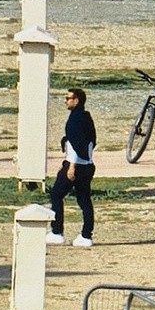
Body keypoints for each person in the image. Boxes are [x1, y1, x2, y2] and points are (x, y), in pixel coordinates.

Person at [52, 84, 99, 242]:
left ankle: (56, 232)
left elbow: (75, 144)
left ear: (76, 100)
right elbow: (90, 142)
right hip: (88, 165)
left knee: (56, 195)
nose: (65, 101)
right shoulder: (86, 117)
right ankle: (86, 235)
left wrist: (71, 166)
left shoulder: (75, 120)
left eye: (68, 98)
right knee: (84, 199)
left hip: (76, 165)